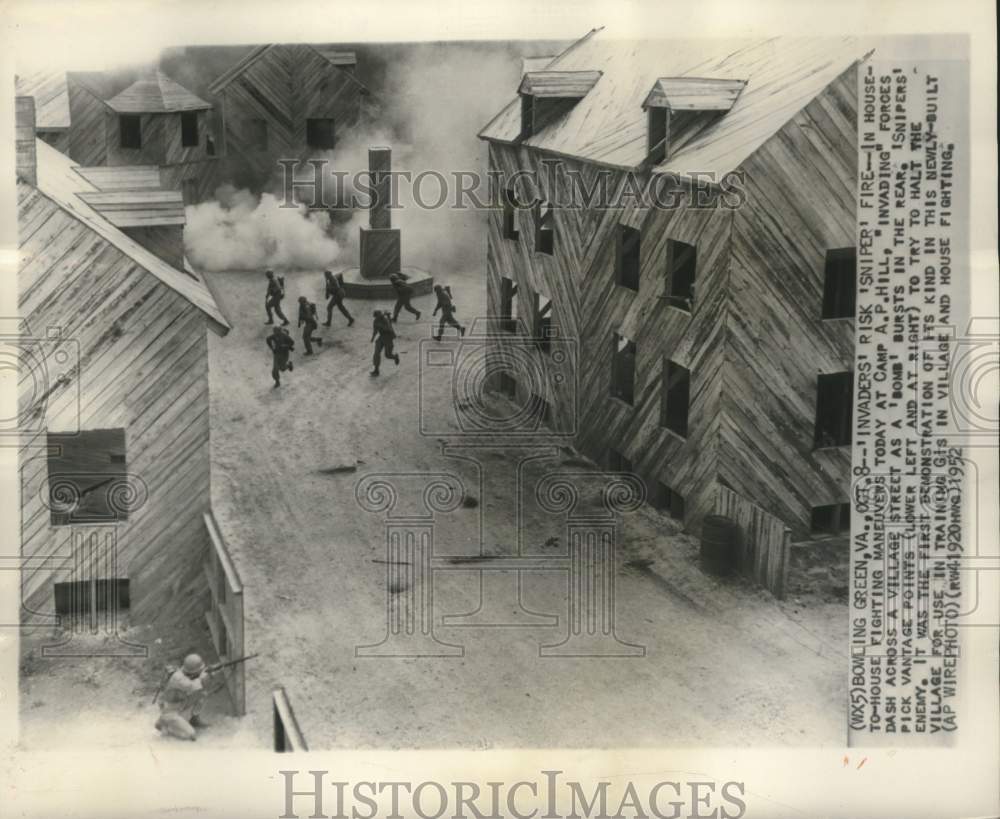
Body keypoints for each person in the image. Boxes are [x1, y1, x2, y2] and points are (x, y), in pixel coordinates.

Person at [154, 654, 217, 742]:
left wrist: (209, 676)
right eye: (200, 670)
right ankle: (164, 725)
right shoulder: (178, 678)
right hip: (170, 712)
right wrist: (204, 677)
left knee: (201, 694)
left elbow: (200, 687)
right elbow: (193, 686)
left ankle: (193, 720)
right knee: (191, 734)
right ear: (193, 671)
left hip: (180, 704)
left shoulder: (186, 673)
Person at [370, 309, 399, 376]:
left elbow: (389, 328)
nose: (376, 317)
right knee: (376, 353)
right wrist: (373, 338)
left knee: (388, 355)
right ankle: (376, 370)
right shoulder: (375, 321)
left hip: (388, 337)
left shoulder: (385, 320)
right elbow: (375, 330)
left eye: (377, 316)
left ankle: (395, 357)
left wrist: (386, 321)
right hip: (381, 337)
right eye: (376, 316)